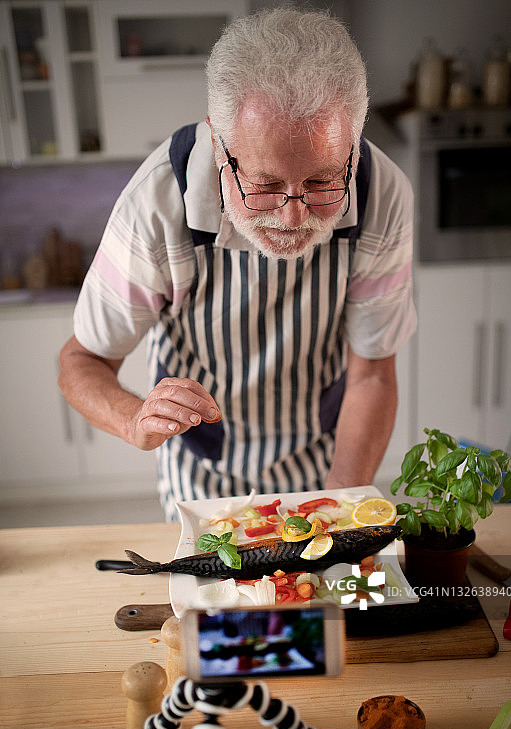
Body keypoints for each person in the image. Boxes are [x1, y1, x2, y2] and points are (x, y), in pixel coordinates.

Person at [58, 8, 416, 521]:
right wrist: (135, 420)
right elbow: (81, 361)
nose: (294, 217)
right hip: (202, 475)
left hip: (329, 459)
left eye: (321, 182)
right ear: (218, 143)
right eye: (265, 185)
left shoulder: (382, 193)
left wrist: (338, 502)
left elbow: (372, 375)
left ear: (353, 148)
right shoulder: (157, 202)